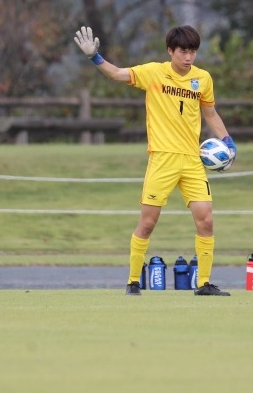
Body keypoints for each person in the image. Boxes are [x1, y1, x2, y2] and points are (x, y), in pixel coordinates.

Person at [74, 25, 236, 296]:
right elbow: (116, 74)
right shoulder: (153, 73)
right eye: (183, 51)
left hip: (193, 161)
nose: (188, 57)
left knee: (206, 220)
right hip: (162, 159)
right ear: (170, 51)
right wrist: (94, 57)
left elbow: (210, 114)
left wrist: (228, 141)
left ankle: (204, 284)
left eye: (193, 52)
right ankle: (133, 281)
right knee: (148, 223)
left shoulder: (203, 79)